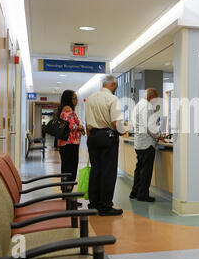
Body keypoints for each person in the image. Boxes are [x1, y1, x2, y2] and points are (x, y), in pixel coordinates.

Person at [85, 75, 126, 216]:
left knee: (96, 170)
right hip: (107, 137)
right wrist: (123, 132)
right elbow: (116, 122)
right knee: (108, 172)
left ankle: (93, 203)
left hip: (93, 137)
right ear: (113, 85)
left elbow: (87, 124)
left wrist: (90, 137)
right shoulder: (113, 99)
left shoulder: (90, 98)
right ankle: (105, 206)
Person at [130, 88, 165, 202]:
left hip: (139, 143)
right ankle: (143, 195)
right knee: (146, 171)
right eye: (155, 99)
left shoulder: (137, 106)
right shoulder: (147, 106)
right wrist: (159, 136)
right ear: (150, 97)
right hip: (147, 144)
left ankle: (134, 192)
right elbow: (151, 127)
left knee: (139, 169)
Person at [57, 90, 85, 191]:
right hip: (70, 144)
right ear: (69, 99)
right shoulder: (68, 109)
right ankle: (68, 196)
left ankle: (67, 195)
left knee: (67, 169)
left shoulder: (64, 109)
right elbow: (71, 126)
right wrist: (80, 127)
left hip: (68, 144)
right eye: (74, 98)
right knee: (70, 170)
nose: (76, 100)